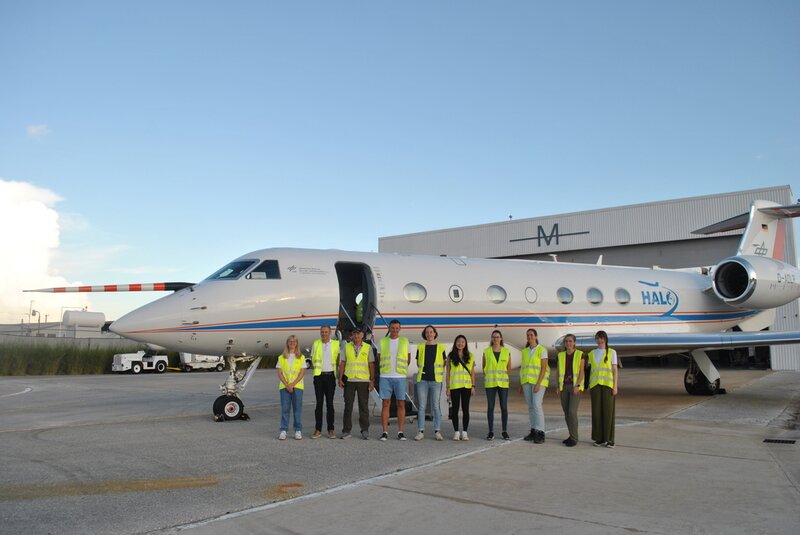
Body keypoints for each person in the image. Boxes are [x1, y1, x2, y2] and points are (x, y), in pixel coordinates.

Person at [338, 327, 375, 440]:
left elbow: (371, 365)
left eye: (358, 334)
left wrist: (372, 380)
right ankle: (346, 430)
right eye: (354, 334)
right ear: (352, 336)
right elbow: (342, 363)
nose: (357, 336)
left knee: (363, 407)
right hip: (349, 380)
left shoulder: (368, 348)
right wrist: (340, 378)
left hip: (363, 381)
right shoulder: (346, 347)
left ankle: (365, 430)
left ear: (362, 335)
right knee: (348, 406)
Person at [377, 319, 411, 441]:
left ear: (400, 329)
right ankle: (385, 431)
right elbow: (379, 357)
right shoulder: (383, 341)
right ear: (389, 329)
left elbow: (408, 358)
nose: (395, 330)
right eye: (392, 328)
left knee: (401, 403)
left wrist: (400, 370)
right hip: (386, 376)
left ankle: (400, 432)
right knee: (385, 404)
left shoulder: (405, 341)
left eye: (397, 328)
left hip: (400, 376)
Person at [414, 325, 447, 441]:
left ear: (435, 334)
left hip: (435, 381)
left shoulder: (441, 347)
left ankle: (437, 431)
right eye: (427, 332)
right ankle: (421, 431)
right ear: (425, 334)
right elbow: (418, 363)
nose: (429, 334)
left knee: (436, 406)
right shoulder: (421, 347)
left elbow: (443, 362)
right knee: (422, 407)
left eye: (431, 332)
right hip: (422, 380)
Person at [588, 330, 618, 448]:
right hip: (595, 386)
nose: (600, 340)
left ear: (605, 339)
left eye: (601, 338)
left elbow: (615, 370)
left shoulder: (611, 352)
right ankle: (599, 438)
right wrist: (589, 386)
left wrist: (615, 386)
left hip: (607, 386)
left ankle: (609, 439)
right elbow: (590, 371)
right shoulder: (591, 353)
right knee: (596, 413)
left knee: (608, 412)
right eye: (598, 338)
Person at [519, 328, 549, 444]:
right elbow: (523, 369)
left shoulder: (542, 350)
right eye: (528, 335)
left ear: (536, 336)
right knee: (531, 407)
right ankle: (533, 430)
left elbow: (544, 368)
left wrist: (538, 383)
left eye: (531, 335)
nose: (530, 337)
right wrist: (521, 384)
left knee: (537, 405)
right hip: (526, 382)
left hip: (538, 383)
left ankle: (541, 432)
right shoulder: (525, 351)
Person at [310, 325, 340, 439]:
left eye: (326, 332)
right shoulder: (316, 343)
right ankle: (318, 429)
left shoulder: (336, 344)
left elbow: (339, 360)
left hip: (330, 376)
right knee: (319, 404)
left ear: (330, 332)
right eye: (322, 332)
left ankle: (331, 429)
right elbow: (313, 359)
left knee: (330, 404)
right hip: (319, 376)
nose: (324, 334)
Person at [556, 333, 585, 447]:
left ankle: (574, 438)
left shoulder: (580, 354)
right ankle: (571, 435)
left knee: (572, 412)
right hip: (564, 387)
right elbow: (558, 372)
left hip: (575, 387)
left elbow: (582, 372)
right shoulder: (560, 355)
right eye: (566, 341)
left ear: (574, 343)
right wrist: (558, 386)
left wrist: (577, 385)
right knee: (566, 413)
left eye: (570, 341)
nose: (568, 343)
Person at [483, 329, 511, 440]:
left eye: (497, 337)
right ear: (491, 339)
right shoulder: (486, 351)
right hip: (490, 383)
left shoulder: (506, 351)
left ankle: (504, 431)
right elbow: (484, 367)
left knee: (504, 407)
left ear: (501, 338)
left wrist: (503, 377)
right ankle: (491, 431)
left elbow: (509, 368)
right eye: (494, 337)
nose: (495, 339)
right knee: (490, 407)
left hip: (503, 383)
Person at [276, 335, 306, 440]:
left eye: (294, 341)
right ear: (287, 343)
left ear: (297, 343)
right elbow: (279, 373)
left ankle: (298, 430)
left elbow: (302, 373)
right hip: (284, 386)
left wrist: (292, 385)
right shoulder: (281, 357)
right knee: (285, 409)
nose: (292, 343)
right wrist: (287, 384)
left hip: (297, 387)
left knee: (297, 409)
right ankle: (283, 430)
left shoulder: (301, 357)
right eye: (290, 341)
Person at [446, 334, 475, 441]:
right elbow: (448, 373)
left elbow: (472, 372)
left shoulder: (470, 356)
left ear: (465, 343)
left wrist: (473, 386)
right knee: (455, 410)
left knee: (466, 409)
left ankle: (465, 432)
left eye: (463, 342)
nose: (460, 343)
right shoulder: (450, 356)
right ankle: (456, 432)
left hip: (467, 386)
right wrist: (448, 387)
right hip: (455, 386)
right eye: (458, 341)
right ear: (455, 343)